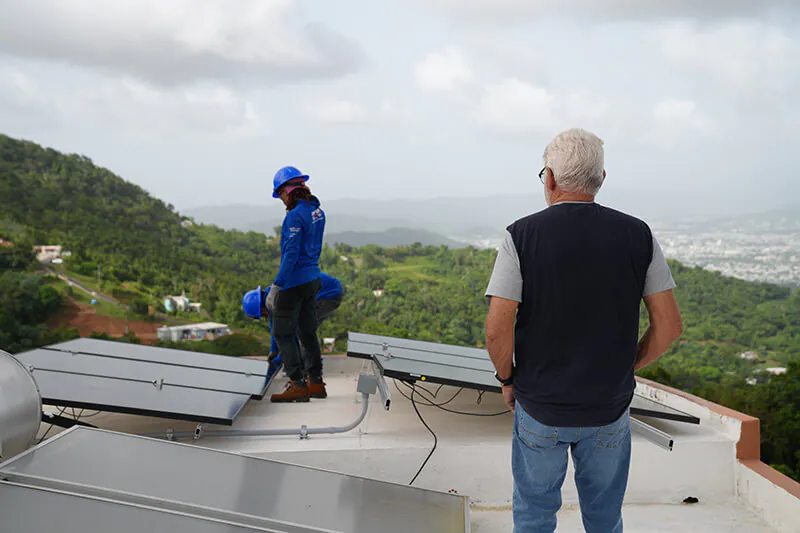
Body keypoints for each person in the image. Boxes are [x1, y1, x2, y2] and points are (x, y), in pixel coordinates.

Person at [484, 128, 683, 533]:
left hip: (540, 406)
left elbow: (496, 330)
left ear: (551, 179)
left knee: (535, 515)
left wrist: (507, 379)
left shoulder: (520, 236)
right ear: (601, 179)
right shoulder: (638, 234)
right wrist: (629, 366)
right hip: (609, 408)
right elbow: (669, 326)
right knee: (605, 518)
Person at [265, 165, 327, 403]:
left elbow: (291, 254)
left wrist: (277, 285)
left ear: (288, 191)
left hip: (294, 283)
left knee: (283, 333)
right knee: (307, 332)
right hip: (313, 279)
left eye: (280, 194)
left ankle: (298, 384)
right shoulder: (317, 211)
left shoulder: (294, 215)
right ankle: (316, 383)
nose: (281, 200)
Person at [242, 272, 344, 397]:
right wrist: (273, 352)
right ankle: (308, 381)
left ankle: (308, 383)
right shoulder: (271, 296)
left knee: (302, 332)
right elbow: (274, 327)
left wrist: (278, 361)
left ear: (262, 308)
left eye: (262, 315)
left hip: (329, 294)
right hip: (320, 292)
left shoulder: (280, 298)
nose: (265, 316)